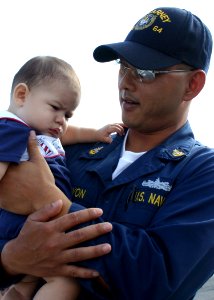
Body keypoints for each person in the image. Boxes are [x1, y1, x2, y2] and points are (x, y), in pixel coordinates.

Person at [0, 6, 214, 300]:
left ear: (193, 84)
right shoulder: (68, 151)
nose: (126, 82)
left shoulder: (203, 173)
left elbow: (158, 279)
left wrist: (49, 202)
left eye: (146, 71)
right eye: (123, 66)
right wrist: (10, 259)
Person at [0, 56, 124, 299]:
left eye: (68, 115)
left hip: (36, 218)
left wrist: (96, 133)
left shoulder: (43, 132)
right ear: (22, 95)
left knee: (25, 282)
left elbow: (70, 135)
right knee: (65, 280)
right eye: (55, 108)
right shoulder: (12, 128)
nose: (61, 121)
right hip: (24, 221)